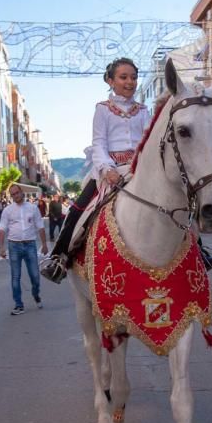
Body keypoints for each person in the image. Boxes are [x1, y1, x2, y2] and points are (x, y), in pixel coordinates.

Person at [51, 57, 150, 281]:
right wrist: (107, 169)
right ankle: (59, 257)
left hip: (138, 169)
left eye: (133, 77)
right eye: (123, 77)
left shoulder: (143, 110)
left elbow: (148, 141)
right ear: (110, 80)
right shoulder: (102, 109)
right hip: (109, 171)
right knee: (78, 209)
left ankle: (199, 251)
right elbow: (99, 143)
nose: (130, 82)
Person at [0, 184, 48, 315]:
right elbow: (2, 228)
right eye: (13, 194)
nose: (16, 196)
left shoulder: (33, 208)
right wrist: (1, 247)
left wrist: (44, 244)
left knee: (35, 276)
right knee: (15, 276)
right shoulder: (7, 210)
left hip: (30, 245)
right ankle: (18, 305)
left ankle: (35, 294)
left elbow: (40, 226)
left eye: (17, 193)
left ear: (22, 192)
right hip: (14, 246)